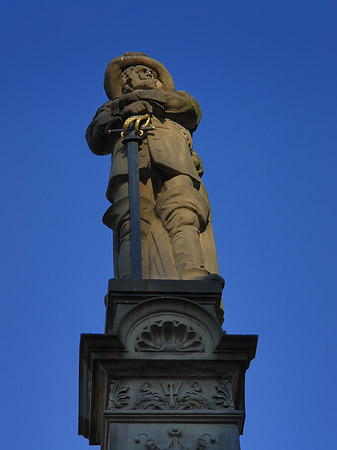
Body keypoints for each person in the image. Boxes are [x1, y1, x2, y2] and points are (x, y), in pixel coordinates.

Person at [86, 52, 218, 279]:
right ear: (126, 80)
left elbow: (189, 108)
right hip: (128, 162)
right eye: (140, 72)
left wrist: (145, 101)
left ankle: (193, 271)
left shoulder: (174, 98)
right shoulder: (111, 107)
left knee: (183, 210)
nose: (148, 74)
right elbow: (95, 137)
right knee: (130, 219)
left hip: (174, 158)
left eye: (152, 72)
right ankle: (130, 277)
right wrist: (122, 110)